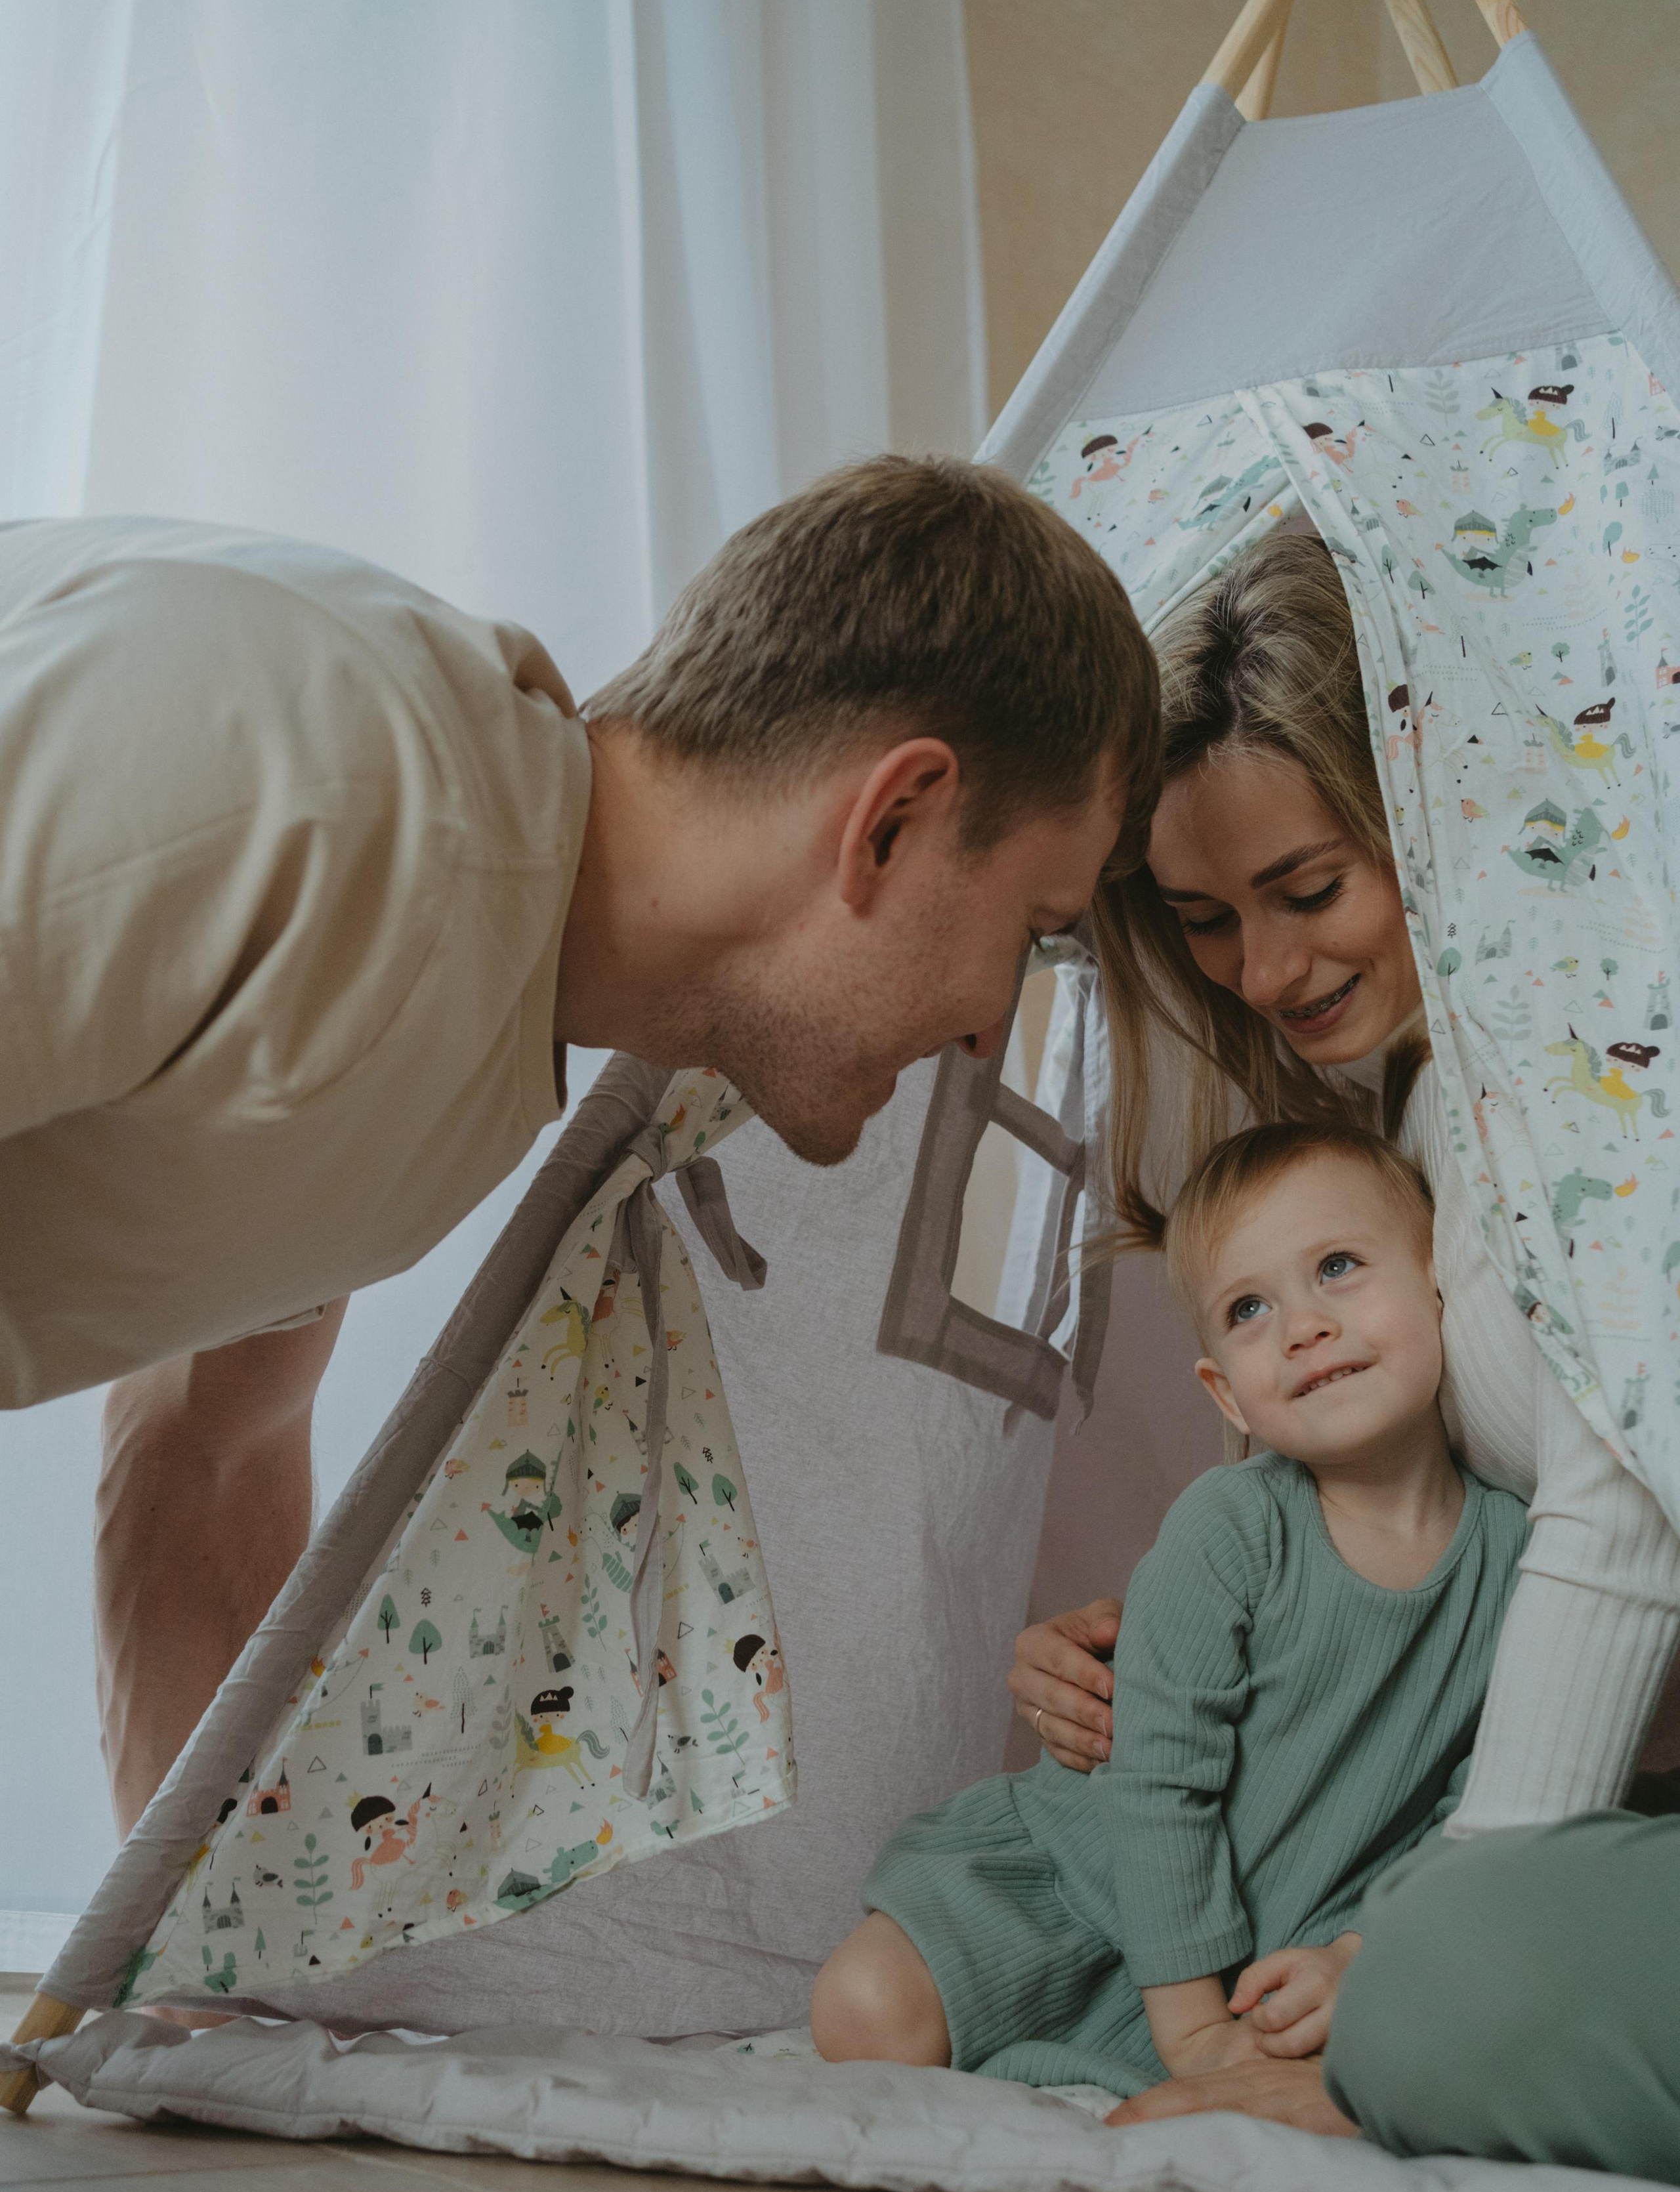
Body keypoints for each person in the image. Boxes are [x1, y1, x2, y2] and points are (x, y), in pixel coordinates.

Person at [0, 459, 1159, 1836]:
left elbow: (210, 1440)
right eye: (1031, 930)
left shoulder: (482, 1008)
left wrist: (174, 1999)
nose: (987, 1039)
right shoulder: (308, 780)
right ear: (890, 821)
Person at [1005, 530, 1680, 2159]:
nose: (1270, 969)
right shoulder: (1413, 1122)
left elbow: (1620, 1517)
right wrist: (1187, 1636)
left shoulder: (1591, 1066)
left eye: (1307, 891)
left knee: (1443, 1981)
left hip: (1597, 1809)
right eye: (1207, 920)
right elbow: (1422, 1546)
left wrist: (1431, 1927)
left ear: (1427, 809)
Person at [810, 1123, 1526, 2103]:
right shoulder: (1233, 1526)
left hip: (1294, 1936)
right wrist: (1190, 2030)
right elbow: (1157, 1787)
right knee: (863, 2010)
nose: (1303, 1327)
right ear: (1226, 1396)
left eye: (1340, 1267)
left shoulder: (1523, 1553)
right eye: (1249, 1309)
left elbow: (1480, 1807)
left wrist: (1363, 1949)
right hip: (1096, 1881)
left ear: (1444, 1288)